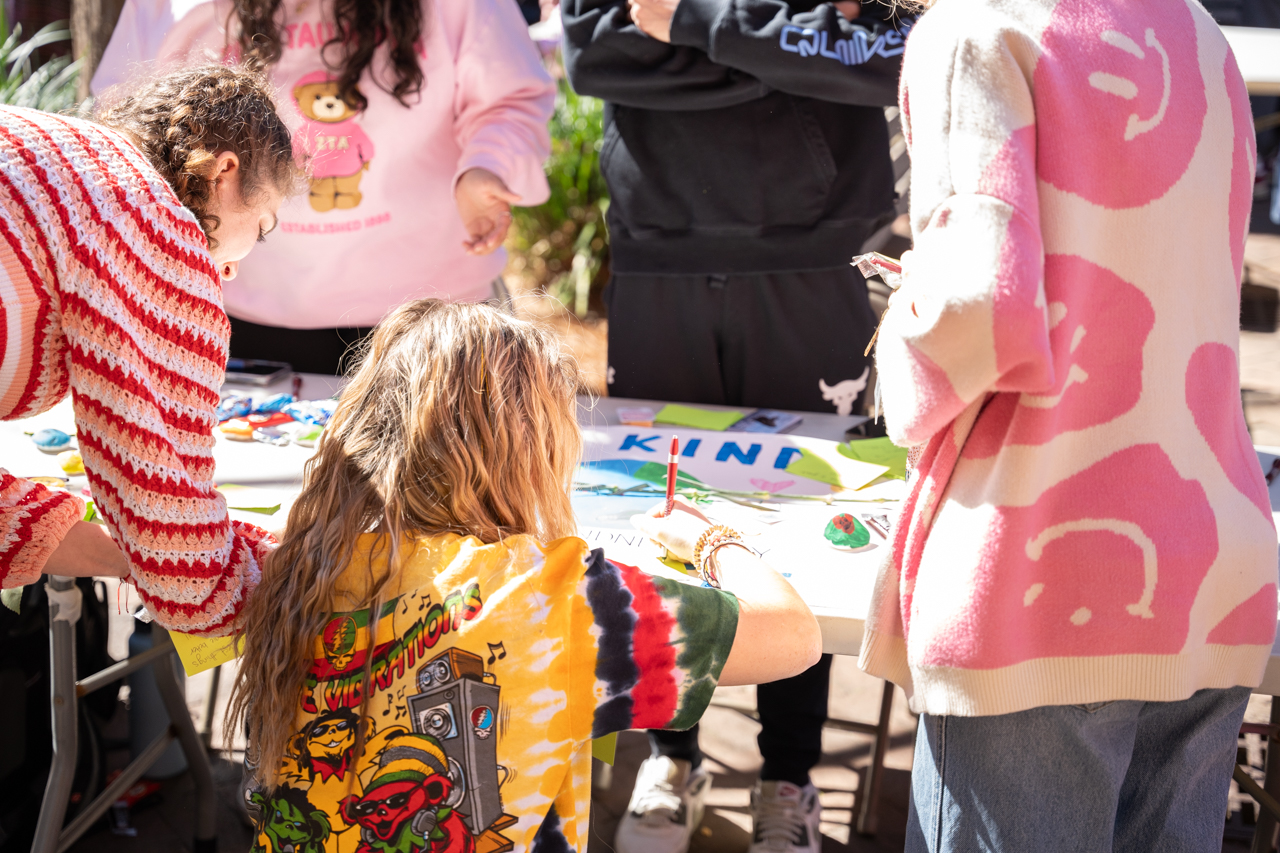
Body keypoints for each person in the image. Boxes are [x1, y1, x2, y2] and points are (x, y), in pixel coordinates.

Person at [858, 0, 1277, 849]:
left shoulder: (977, 31)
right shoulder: (1196, 28)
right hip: (1211, 556)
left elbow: (978, 306)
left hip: (1034, 574)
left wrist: (901, 325)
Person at [225, 298, 823, 853]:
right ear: (528, 447)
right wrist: (713, 541)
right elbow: (796, 639)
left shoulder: (295, 560)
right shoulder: (556, 598)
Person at [561, 0, 914, 849]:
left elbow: (883, 57)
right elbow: (596, 53)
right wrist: (778, 50)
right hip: (659, 259)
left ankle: (789, 780)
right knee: (660, 509)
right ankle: (672, 754)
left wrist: (692, 22)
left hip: (816, 262)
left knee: (803, 525)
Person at [93, 0, 556, 375]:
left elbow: (512, 98)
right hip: (231, 315)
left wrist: (487, 166)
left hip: (429, 319)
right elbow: (127, 126)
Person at [0, 64, 299, 634]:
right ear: (224, 173)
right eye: (259, 228)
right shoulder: (148, 214)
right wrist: (260, 578)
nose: (232, 268)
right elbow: (171, 531)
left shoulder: (60, 157)